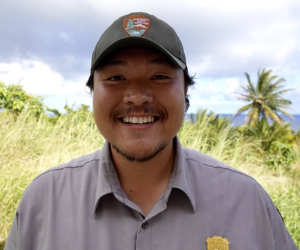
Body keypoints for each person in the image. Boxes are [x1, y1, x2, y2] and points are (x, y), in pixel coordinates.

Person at [5, 12, 298, 250]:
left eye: (159, 76)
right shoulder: (42, 202)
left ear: (185, 91)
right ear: (92, 92)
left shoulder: (246, 201)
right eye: (116, 77)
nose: (137, 96)